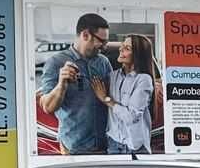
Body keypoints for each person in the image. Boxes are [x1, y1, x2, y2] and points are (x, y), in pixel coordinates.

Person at [37, 13, 113, 154]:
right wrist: (62, 84)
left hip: (106, 146)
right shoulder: (55, 63)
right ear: (85, 35)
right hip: (73, 149)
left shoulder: (103, 62)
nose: (104, 46)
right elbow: (47, 107)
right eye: (102, 41)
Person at [98, 33, 156, 155]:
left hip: (134, 147)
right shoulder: (113, 76)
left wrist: (107, 100)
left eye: (127, 48)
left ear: (138, 55)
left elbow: (131, 117)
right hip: (113, 144)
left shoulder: (143, 80)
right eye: (122, 46)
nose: (121, 49)